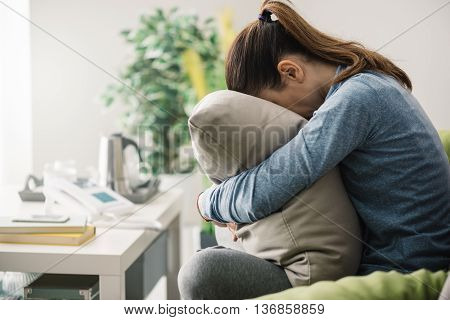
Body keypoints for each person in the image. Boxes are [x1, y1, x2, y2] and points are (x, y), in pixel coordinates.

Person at [178, 0, 450, 299]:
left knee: (204, 270)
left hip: (403, 271)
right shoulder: (372, 84)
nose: (288, 119)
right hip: (391, 258)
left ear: (291, 72)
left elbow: (268, 187)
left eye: (276, 107)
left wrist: (205, 203)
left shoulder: (357, 98)